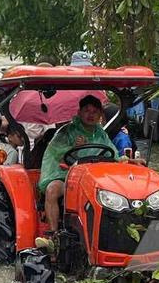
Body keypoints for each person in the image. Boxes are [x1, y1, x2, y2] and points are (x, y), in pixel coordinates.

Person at [36, 95, 119, 248]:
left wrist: (128, 160)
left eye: (95, 111)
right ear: (79, 112)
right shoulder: (66, 131)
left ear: (100, 114)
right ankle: (54, 236)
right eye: (87, 111)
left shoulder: (101, 134)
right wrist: (73, 147)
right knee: (52, 190)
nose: (91, 115)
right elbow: (55, 152)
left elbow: (113, 154)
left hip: (93, 179)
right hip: (65, 175)